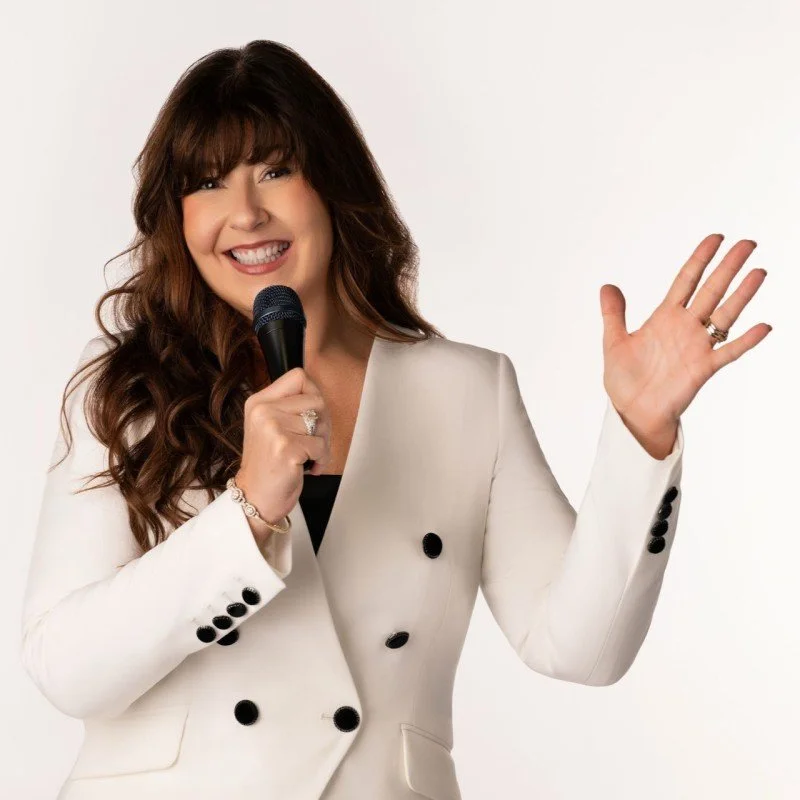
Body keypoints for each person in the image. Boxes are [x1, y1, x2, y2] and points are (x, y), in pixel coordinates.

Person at [19, 40, 771, 800]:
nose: (245, 213)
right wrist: (244, 515)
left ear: (334, 187)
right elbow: (65, 669)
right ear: (179, 218)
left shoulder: (465, 390)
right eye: (208, 183)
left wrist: (640, 436)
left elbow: (581, 647)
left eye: (276, 169)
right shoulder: (128, 392)